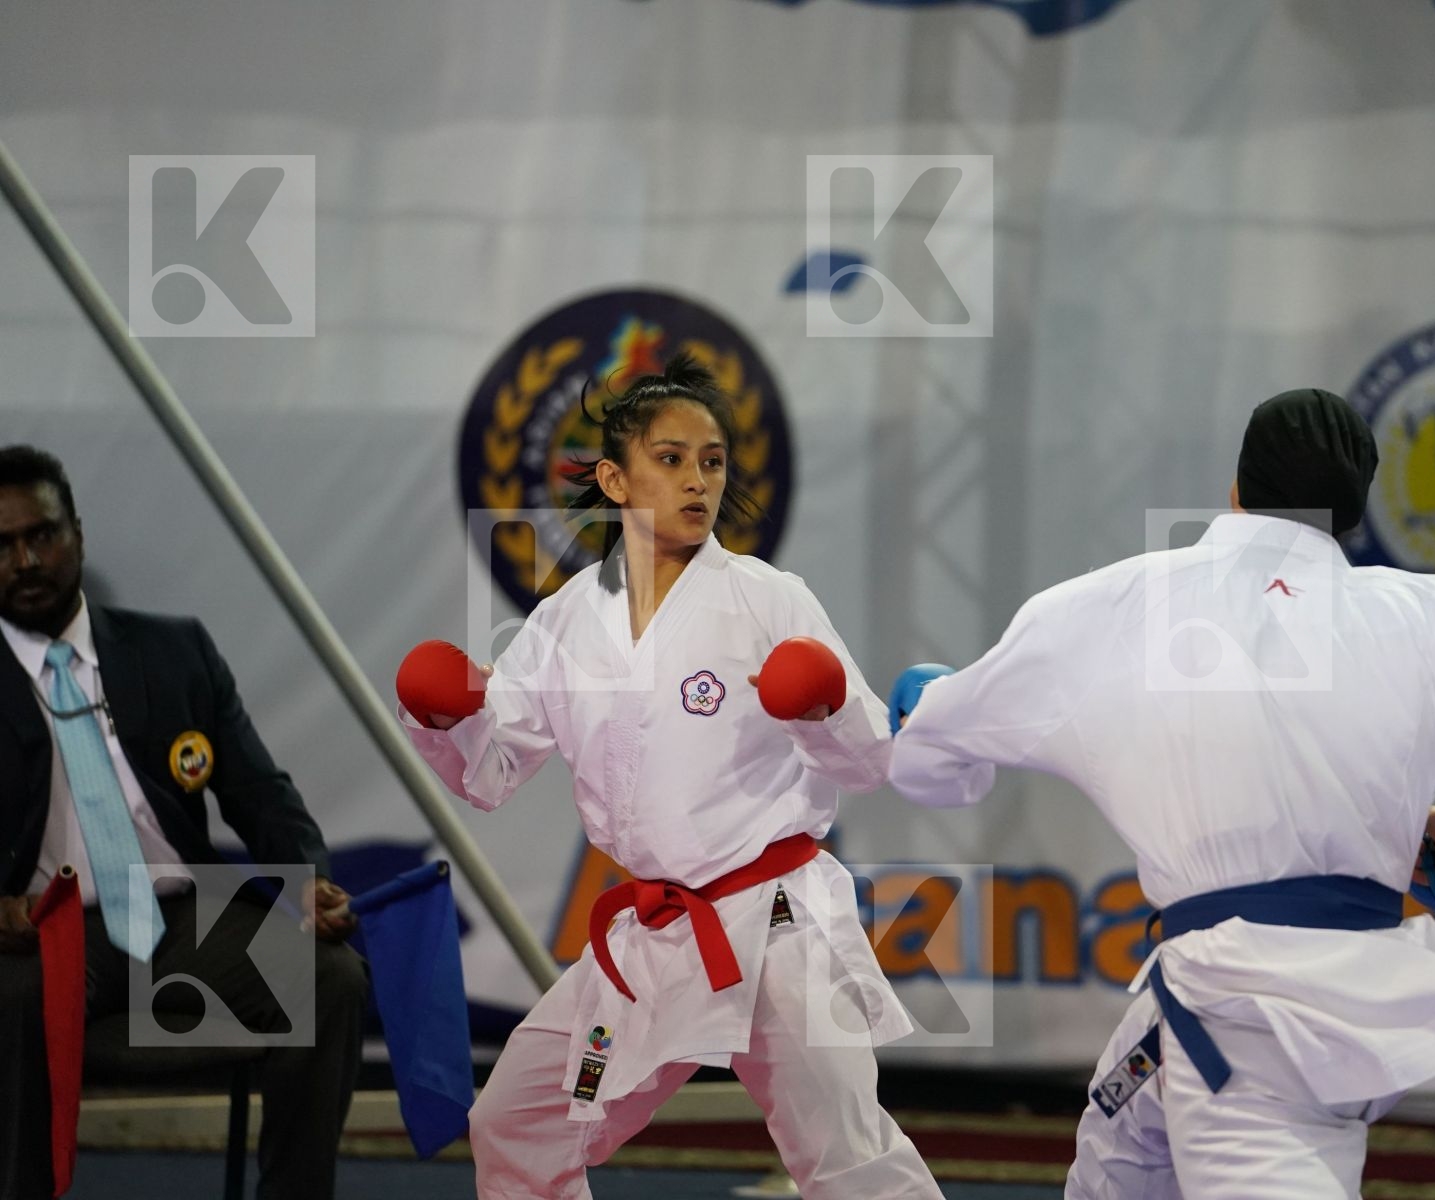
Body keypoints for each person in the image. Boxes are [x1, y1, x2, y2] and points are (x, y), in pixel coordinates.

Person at [888, 389, 1435, 1199]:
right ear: (1352, 514)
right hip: (1328, 983)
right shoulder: (1434, 612)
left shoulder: (1119, 600)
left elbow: (934, 734)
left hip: (1256, 1011)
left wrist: (925, 710)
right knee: (1114, 1166)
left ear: (1236, 489)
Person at [402, 355, 942, 1200]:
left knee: (847, 1156)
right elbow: (492, 774)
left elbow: (872, 760)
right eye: (671, 459)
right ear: (615, 479)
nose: (698, 479)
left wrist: (826, 703)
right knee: (515, 1122)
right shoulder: (568, 619)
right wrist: (452, 717)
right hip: (657, 931)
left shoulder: (769, 600)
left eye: (713, 460)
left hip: (778, 921)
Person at [0, 445, 367, 1200]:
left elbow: (261, 793)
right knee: (14, 1000)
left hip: (181, 918)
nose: (26, 560)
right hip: (44, 933)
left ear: (78, 533)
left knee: (329, 977)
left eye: (42, 534)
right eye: (1, 547)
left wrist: (308, 880)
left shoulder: (172, 651)